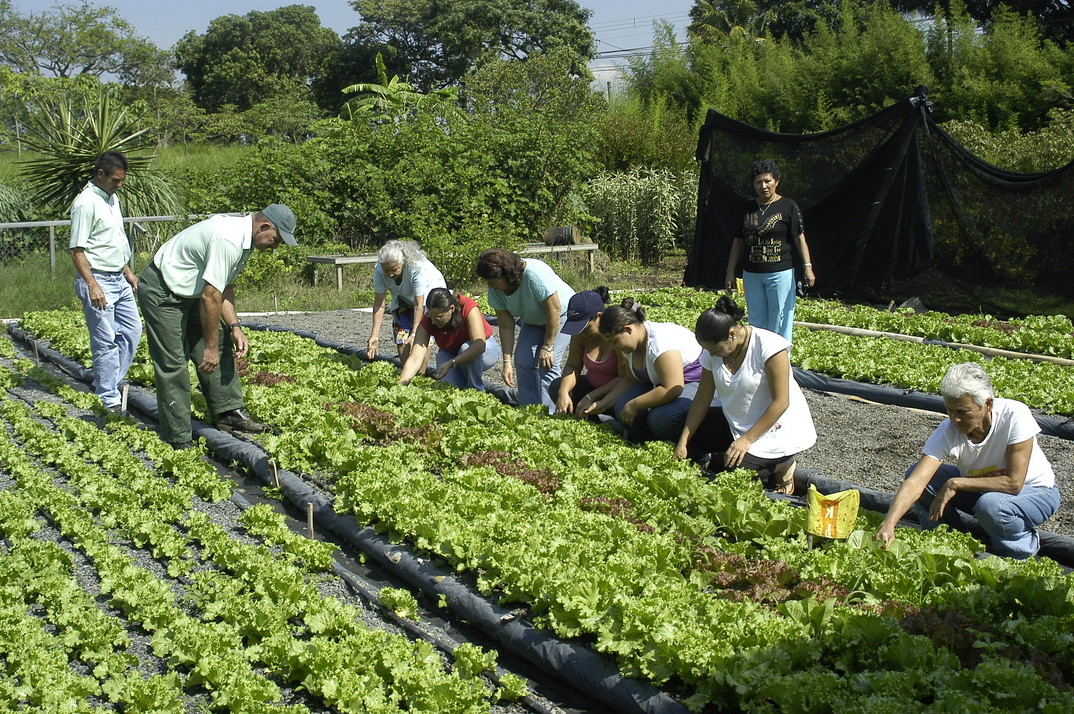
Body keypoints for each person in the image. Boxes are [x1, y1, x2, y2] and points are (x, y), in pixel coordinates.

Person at [136, 204, 298, 449]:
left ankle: (228, 413)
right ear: (263, 226)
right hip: (164, 290)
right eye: (275, 240)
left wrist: (234, 326)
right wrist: (208, 348)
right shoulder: (229, 240)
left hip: (191, 291)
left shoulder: (245, 240)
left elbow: (225, 287)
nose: (274, 247)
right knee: (173, 362)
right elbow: (211, 296)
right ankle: (177, 435)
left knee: (221, 338)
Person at [876, 362, 1060, 559]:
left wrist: (956, 483)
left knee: (991, 506)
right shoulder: (948, 430)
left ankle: (1018, 552)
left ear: (987, 405)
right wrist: (889, 523)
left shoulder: (1014, 415)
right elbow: (916, 482)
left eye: (963, 412)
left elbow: (1014, 483)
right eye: (950, 410)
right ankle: (948, 542)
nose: (955, 419)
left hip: (1036, 492)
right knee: (920, 476)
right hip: (984, 491)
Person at [674, 296, 816, 494]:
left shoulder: (769, 347)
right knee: (680, 427)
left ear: (732, 334)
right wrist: (683, 442)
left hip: (775, 427)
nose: (711, 355)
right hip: (738, 423)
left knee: (737, 474)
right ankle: (726, 454)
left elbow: (781, 402)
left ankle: (782, 464)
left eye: (715, 349)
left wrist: (746, 440)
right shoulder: (713, 352)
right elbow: (702, 399)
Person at [68, 151, 142, 413]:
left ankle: (108, 380)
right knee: (106, 340)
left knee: (132, 331)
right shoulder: (86, 203)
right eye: (115, 179)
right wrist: (93, 286)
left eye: (122, 179)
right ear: (100, 174)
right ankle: (107, 396)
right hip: (98, 279)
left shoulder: (112, 198)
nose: (119, 184)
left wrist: (127, 270)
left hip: (118, 278)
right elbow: (77, 250)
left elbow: (110, 241)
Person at [724, 158, 815, 343]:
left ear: (776, 181)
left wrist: (807, 266)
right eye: (759, 182)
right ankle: (760, 362)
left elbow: (799, 238)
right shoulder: (748, 209)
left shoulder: (788, 206)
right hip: (752, 274)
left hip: (780, 273)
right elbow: (738, 242)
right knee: (757, 322)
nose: (763, 186)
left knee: (780, 321)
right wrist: (730, 271)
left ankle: (780, 362)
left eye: (768, 181)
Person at [475, 248, 575, 412]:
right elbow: (506, 326)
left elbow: (554, 311)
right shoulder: (496, 290)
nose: (490, 286)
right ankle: (529, 412)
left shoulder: (533, 274)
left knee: (548, 364)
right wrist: (507, 361)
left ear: (506, 273)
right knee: (522, 361)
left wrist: (548, 346)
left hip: (563, 315)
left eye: (493, 281)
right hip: (533, 320)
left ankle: (552, 415)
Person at [595, 301, 704, 444]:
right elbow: (630, 379)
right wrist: (601, 403)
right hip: (662, 383)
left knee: (661, 417)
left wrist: (635, 404)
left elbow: (673, 388)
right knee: (621, 406)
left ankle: (691, 447)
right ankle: (650, 441)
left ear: (628, 330)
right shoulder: (630, 345)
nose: (614, 348)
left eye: (614, 341)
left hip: (696, 381)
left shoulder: (660, 343)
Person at [397, 287, 502, 389]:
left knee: (465, 348)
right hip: (450, 353)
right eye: (431, 316)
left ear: (452, 308)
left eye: (439, 317)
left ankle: (475, 389)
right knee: (449, 386)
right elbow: (415, 359)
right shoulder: (428, 320)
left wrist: (452, 363)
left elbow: (479, 346)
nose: (433, 321)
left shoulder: (468, 307)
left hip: (485, 350)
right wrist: (400, 386)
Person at [367, 240, 447, 364]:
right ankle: (407, 374)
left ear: (402, 263)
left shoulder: (416, 267)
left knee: (420, 340)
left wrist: (415, 334)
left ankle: (421, 376)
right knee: (402, 337)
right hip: (403, 297)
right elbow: (379, 304)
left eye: (394, 269)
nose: (390, 274)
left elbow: (418, 305)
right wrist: (374, 336)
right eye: (386, 270)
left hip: (429, 295)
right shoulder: (379, 269)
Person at [549, 287, 621, 418]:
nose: (583, 333)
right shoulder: (581, 335)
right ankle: (589, 422)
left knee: (623, 405)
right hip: (593, 388)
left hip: (617, 391)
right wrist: (563, 392)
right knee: (557, 386)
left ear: (599, 317)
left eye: (586, 328)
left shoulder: (617, 335)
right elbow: (573, 366)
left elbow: (626, 378)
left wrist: (591, 397)